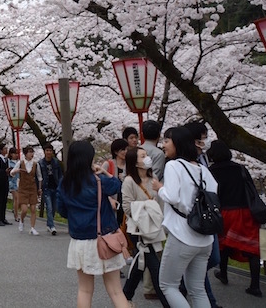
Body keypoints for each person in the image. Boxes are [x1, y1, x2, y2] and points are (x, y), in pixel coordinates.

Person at [58, 140, 131, 308]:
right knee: (115, 291)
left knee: (84, 290)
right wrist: (105, 172)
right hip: (105, 240)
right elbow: (117, 186)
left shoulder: (65, 183)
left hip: (80, 242)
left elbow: (62, 211)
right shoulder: (98, 181)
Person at [158, 125, 218, 307]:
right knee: (197, 289)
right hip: (205, 239)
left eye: (167, 141)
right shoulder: (203, 169)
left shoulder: (174, 166)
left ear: (178, 143)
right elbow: (214, 192)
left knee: (168, 285)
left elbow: (173, 196)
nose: (164, 145)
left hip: (182, 235)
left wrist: (159, 189)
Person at [208, 140, 263, 298]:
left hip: (225, 212)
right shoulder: (240, 168)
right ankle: (255, 285)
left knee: (224, 245)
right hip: (245, 212)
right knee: (252, 248)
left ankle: (223, 273)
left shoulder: (212, 171)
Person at [121, 146, 169, 307]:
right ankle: (167, 302)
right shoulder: (129, 181)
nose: (147, 158)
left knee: (140, 263)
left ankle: (125, 295)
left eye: (146, 155)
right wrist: (149, 206)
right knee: (154, 265)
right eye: (143, 156)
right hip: (139, 229)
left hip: (153, 227)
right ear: (135, 163)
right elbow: (127, 207)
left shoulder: (153, 177)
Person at [184, 122, 221, 308]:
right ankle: (210, 302)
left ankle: (185, 281)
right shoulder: (182, 162)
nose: (204, 141)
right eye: (201, 137)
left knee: (213, 259)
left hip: (208, 213)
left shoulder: (203, 158)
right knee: (207, 260)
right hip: (194, 217)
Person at [12, 145, 42, 235]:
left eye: (32, 152)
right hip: (23, 188)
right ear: (25, 154)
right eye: (29, 152)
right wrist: (17, 171)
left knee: (33, 208)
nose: (31, 154)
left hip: (32, 188)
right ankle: (21, 220)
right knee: (24, 209)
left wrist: (39, 188)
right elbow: (11, 172)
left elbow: (40, 177)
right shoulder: (20, 163)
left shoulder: (36, 164)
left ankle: (32, 228)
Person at [39, 144, 63, 235]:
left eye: (50, 150)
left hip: (55, 187)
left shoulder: (56, 162)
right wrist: (39, 188)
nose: (48, 152)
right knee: (49, 207)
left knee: (53, 208)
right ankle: (52, 226)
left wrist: (61, 184)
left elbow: (60, 174)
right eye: (47, 150)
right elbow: (39, 176)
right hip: (46, 188)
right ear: (44, 152)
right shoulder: (40, 163)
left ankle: (49, 224)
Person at [8, 147, 21, 223]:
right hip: (12, 182)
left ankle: (14, 210)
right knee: (16, 199)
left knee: (18, 200)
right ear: (11, 154)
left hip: (18, 182)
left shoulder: (19, 162)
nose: (16, 155)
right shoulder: (9, 162)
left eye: (17, 153)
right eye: (14, 153)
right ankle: (16, 216)